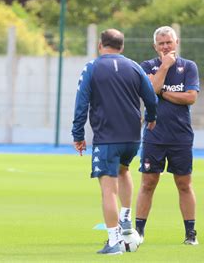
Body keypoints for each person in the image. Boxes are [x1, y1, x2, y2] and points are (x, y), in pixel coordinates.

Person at [72, 29, 158, 255]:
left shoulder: (92, 67)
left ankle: (113, 242)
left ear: (101, 45)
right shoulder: (134, 67)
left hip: (107, 138)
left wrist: (78, 135)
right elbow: (150, 97)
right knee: (124, 170)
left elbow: (81, 102)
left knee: (108, 189)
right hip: (131, 137)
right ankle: (126, 220)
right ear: (121, 46)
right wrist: (151, 117)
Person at [135, 26, 200, 245]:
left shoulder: (189, 67)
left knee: (184, 183)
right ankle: (139, 232)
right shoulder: (147, 66)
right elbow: (150, 90)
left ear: (176, 42)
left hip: (181, 136)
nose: (165, 47)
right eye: (161, 43)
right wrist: (164, 67)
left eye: (169, 42)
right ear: (155, 46)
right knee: (148, 183)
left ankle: (190, 234)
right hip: (154, 134)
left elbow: (190, 97)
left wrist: (163, 92)